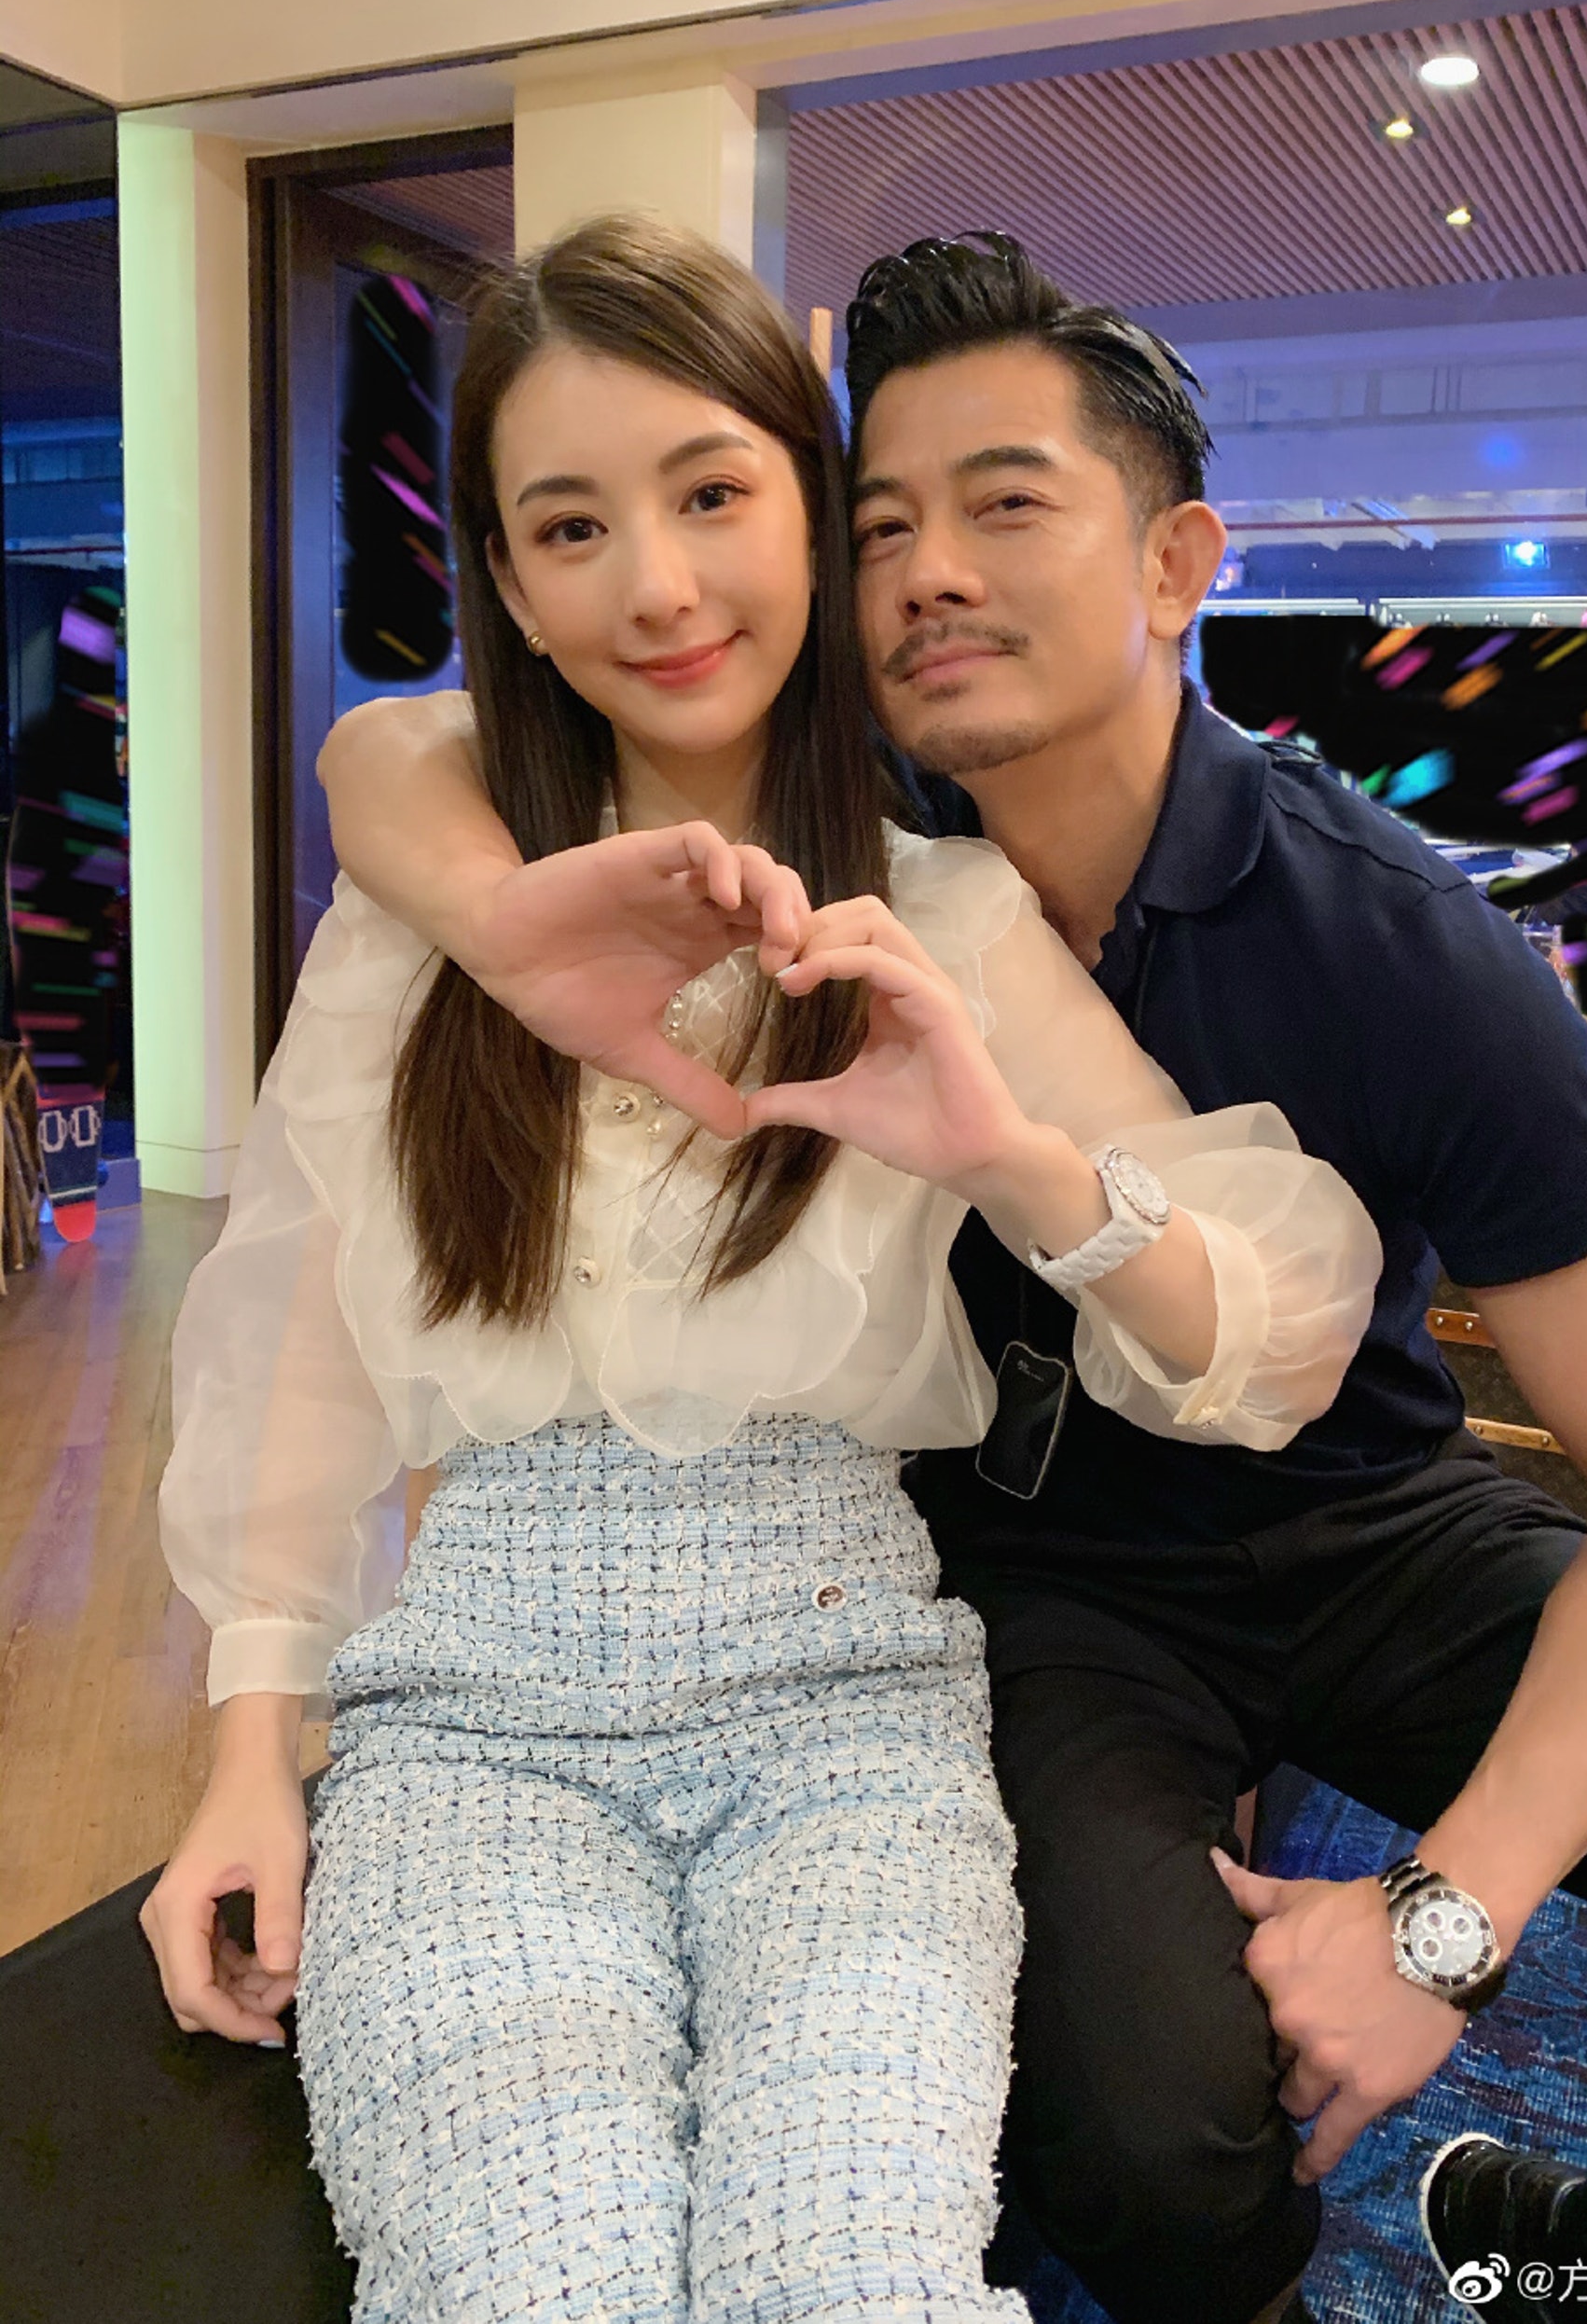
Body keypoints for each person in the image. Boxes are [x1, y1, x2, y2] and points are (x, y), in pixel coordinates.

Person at [320, 229, 1587, 2324]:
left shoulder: (1401, 949)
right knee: (1146, 2132)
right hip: (1036, 1582)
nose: (929, 573)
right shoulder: (841, 823)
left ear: (1176, 562)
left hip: (1365, 1516)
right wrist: (490, 916)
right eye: (880, 525)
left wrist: (1445, 1919)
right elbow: (395, 754)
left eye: (1005, 506)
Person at [140, 215, 1379, 2324]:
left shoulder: (941, 916)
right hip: (475, 1725)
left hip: (851, 1719)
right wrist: (251, 1751)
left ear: (812, 507)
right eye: (571, 527)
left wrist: (1007, 1155)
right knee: (536, 2283)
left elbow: (1282, 1316)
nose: (656, 585)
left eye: (712, 493)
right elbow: (302, 1356)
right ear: (508, 583)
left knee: (855, 2276)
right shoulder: (438, 910)